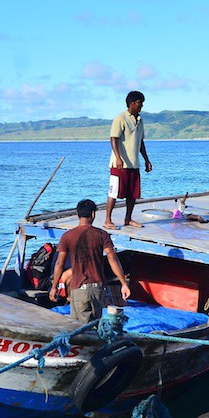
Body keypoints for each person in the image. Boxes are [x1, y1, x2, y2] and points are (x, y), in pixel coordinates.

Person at [50, 199, 131, 322]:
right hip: (98, 289)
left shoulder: (68, 236)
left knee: (79, 327)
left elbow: (59, 264)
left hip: (79, 289)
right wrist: (124, 284)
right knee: (94, 325)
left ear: (78, 215)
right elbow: (112, 258)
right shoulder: (102, 235)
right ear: (93, 214)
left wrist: (54, 287)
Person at [105, 91, 152, 230]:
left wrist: (146, 160)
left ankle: (128, 218)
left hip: (134, 163)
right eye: (139, 103)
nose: (141, 106)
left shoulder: (140, 120)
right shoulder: (120, 118)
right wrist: (118, 157)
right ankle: (108, 219)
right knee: (114, 192)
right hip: (119, 164)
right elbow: (113, 138)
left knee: (132, 194)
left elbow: (141, 142)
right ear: (132, 103)